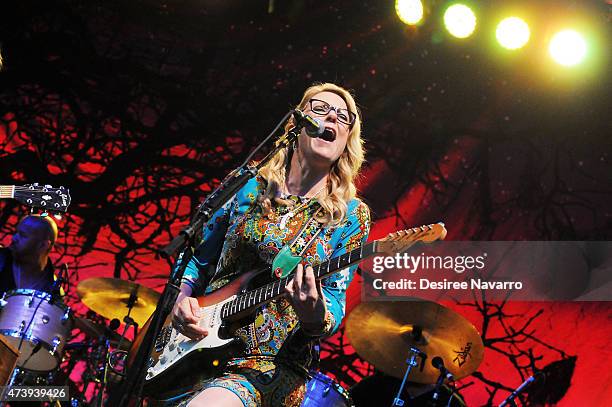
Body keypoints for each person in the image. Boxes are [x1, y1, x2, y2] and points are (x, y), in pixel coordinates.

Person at [170, 83, 371, 407]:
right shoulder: (248, 185)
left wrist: (312, 311)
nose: (331, 117)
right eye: (320, 109)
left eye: (343, 117)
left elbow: (333, 303)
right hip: (190, 350)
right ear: (297, 124)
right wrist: (181, 302)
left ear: (347, 138)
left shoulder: (348, 215)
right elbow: (196, 259)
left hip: (267, 367)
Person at [0, 214, 59, 294]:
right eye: (16, 232)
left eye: (23, 235)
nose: (14, 238)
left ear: (43, 245)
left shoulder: (52, 290)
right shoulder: (2, 259)